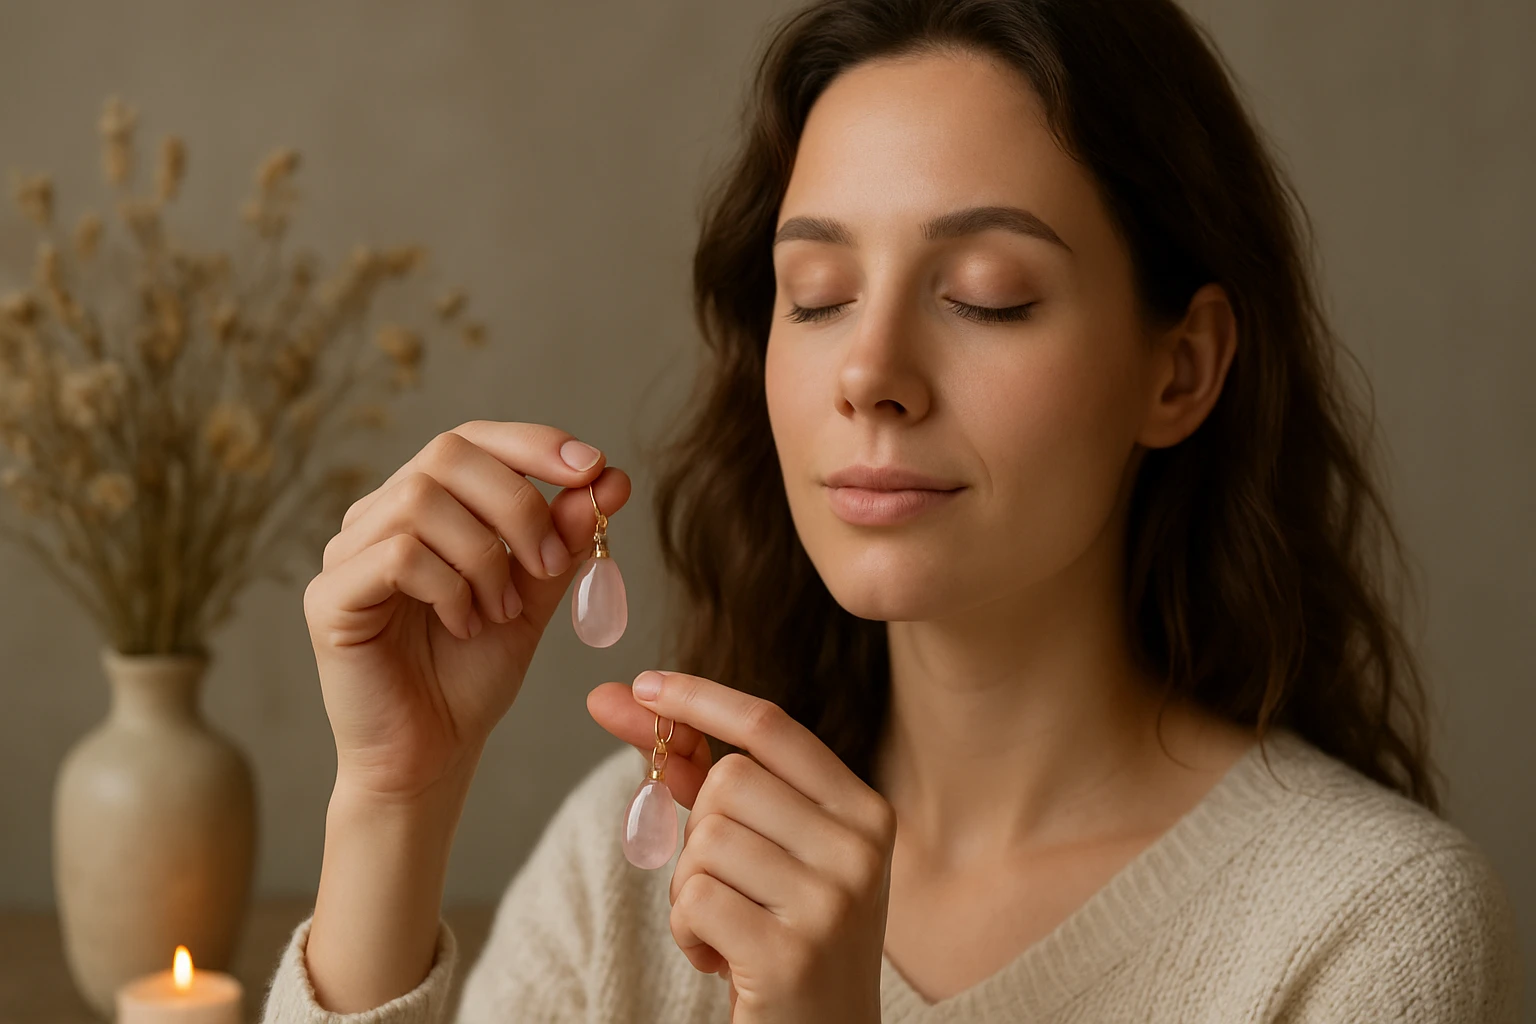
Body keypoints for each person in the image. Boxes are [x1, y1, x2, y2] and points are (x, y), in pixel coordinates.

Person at [258, 0, 1525, 1021]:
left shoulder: (1363, 928)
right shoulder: (637, 856)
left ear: (1179, 368)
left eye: (984, 294)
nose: (869, 374)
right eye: (815, 295)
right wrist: (391, 798)